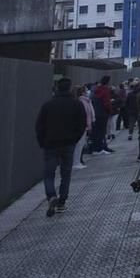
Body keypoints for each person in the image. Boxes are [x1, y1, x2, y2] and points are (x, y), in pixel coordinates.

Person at [35, 75, 85, 216]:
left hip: (50, 144)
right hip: (68, 143)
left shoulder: (48, 105)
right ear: (70, 88)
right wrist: (74, 138)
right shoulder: (76, 104)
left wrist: (42, 142)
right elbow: (82, 124)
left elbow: (39, 125)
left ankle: (51, 196)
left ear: (57, 88)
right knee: (66, 173)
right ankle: (62, 202)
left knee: (49, 173)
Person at [88, 75, 115, 156]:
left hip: (96, 112)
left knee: (95, 131)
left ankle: (94, 148)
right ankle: (100, 148)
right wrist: (110, 111)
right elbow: (106, 102)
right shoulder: (105, 90)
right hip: (103, 113)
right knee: (102, 131)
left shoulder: (95, 90)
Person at [75, 85, 95, 167]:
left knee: (82, 144)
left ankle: (78, 160)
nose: (87, 92)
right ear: (82, 92)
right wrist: (88, 124)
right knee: (79, 144)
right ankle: (76, 161)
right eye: (86, 91)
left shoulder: (86, 101)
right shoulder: (83, 101)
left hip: (85, 124)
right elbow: (86, 114)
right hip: (84, 125)